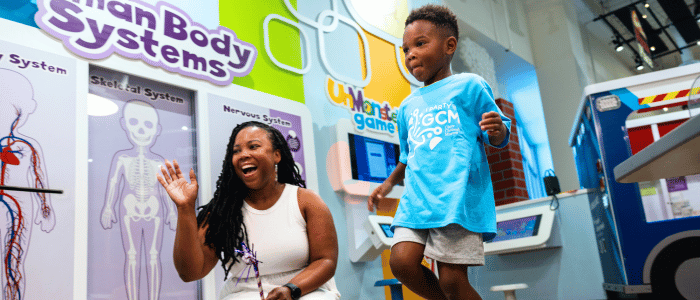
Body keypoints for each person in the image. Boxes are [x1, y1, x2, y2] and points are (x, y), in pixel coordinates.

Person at [367, 5, 511, 300]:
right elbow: (408, 156)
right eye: (405, 49)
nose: (410, 54)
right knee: (401, 262)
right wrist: (388, 183)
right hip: (416, 200)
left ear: (449, 46)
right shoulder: (407, 106)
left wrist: (498, 130)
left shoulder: (469, 86)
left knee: (453, 281)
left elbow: (498, 135)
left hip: (456, 198)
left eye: (420, 44)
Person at [157, 121, 340, 300]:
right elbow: (190, 272)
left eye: (253, 147)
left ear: (277, 155)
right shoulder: (223, 210)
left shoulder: (306, 201)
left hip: (304, 290)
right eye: (236, 151)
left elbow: (325, 261)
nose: (243, 155)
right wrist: (185, 208)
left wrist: (290, 290)